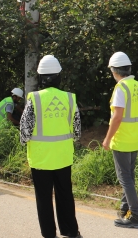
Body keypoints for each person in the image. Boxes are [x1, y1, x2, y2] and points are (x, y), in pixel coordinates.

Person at [20, 55, 82, 238]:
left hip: (40, 159)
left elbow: (24, 131)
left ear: (40, 78)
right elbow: (77, 131)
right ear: (59, 76)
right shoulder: (69, 99)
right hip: (63, 157)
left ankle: (49, 234)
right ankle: (71, 232)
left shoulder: (34, 99)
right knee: (65, 196)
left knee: (44, 199)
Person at [102, 52, 138, 229]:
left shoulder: (121, 87)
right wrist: (135, 131)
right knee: (129, 177)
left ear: (114, 71)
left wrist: (107, 139)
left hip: (121, 140)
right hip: (135, 138)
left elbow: (117, 117)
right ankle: (125, 209)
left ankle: (135, 215)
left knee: (125, 178)